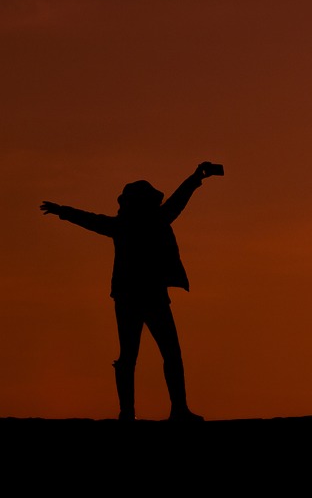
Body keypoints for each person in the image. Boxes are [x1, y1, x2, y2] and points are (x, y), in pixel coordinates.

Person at [41, 161, 223, 422]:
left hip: (133, 296)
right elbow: (178, 200)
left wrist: (62, 211)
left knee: (137, 355)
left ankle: (136, 412)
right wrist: (195, 178)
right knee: (163, 353)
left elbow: (91, 220)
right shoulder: (152, 221)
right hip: (145, 296)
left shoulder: (126, 225)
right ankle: (168, 410)